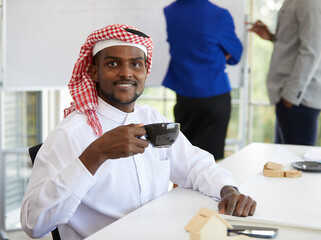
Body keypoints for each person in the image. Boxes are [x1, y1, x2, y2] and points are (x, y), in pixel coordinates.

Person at [20, 24, 256, 239]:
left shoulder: (152, 119)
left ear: (145, 71)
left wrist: (228, 191)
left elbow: (196, 165)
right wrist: (95, 154)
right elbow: (33, 223)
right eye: (113, 64)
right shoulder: (69, 134)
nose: (126, 73)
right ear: (93, 72)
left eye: (136, 64)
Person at [162, 0, 243, 160]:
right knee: (211, 161)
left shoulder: (170, 11)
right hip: (214, 94)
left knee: (184, 159)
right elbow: (236, 54)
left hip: (185, 97)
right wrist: (217, 56)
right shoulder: (219, 15)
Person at [249, 0, 321, 146]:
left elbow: (310, 52)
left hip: (298, 99)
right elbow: (299, 43)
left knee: (296, 163)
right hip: (291, 97)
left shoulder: (311, 3)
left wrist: (289, 97)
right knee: (285, 160)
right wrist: (272, 37)